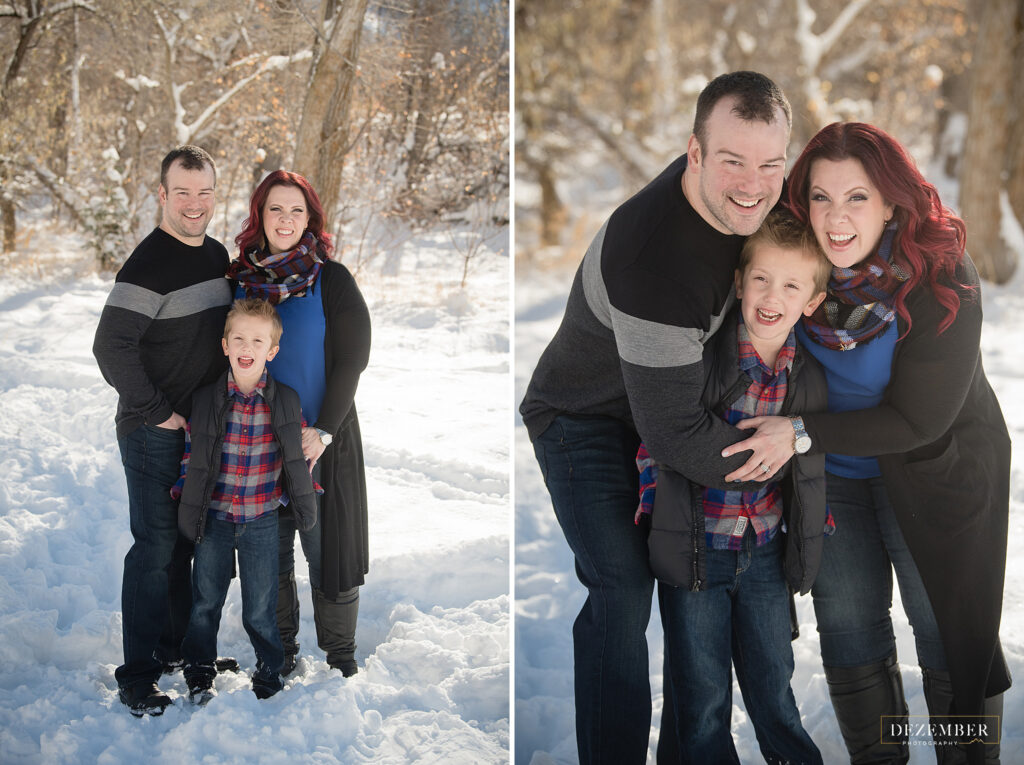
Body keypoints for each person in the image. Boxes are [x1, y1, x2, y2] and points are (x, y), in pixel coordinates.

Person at [519, 71, 792, 763]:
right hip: (584, 420)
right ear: (693, 154)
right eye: (732, 160)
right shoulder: (654, 259)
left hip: (673, 410)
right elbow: (676, 437)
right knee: (623, 581)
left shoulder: (763, 196)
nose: (753, 185)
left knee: (686, 579)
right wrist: (792, 452)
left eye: (770, 163)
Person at [721, 122, 1010, 764]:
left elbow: (920, 419)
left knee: (945, 635)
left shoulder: (941, 275)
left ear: (890, 203)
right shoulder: (797, 265)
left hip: (938, 471)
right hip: (835, 477)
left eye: (856, 198)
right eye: (820, 197)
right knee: (851, 632)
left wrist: (796, 432)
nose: (836, 217)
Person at [639, 211, 829, 764]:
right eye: (762, 279)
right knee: (701, 702)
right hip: (699, 553)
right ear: (741, 283)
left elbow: (810, 464)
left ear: (810, 302)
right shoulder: (704, 358)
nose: (773, 295)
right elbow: (659, 437)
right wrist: (655, 510)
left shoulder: (807, 376)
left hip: (766, 551)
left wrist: (813, 522)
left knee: (775, 688)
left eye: (792, 285)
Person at [93, 145, 235, 716]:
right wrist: (156, 410)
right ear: (162, 195)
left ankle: (174, 649)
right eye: (182, 193)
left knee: (182, 546)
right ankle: (137, 677)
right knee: (153, 550)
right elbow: (110, 346)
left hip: (197, 431)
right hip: (151, 431)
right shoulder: (147, 264)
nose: (194, 205)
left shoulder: (217, 255)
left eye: (204, 193)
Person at [228, 170, 371, 677]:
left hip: (323, 440)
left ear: (310, 218)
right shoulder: (239, 281)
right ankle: (281, 651)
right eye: (275, 209)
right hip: (258, 442)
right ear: (259, 217)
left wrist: (325, 429)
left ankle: (340, 658)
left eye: (296, 210)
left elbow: (354, 357)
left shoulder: (330, 279)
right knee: (271, 556)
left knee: (328, 550)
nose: (285, 220)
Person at [173, 298, 317, 702]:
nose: (247, 346)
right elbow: (193, 453)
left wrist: (306, 493)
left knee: (260, 606)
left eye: (258, 340)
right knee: (205, 601)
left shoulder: (286, 401)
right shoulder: (206, 399)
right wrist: (184, 491)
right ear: (225, 345)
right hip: (214, 517)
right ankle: (199, 670)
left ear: (271, 350)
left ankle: (269, 671)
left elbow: (294, 457)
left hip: (261, 520)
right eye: (239, 338)